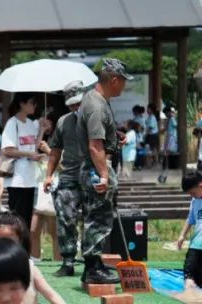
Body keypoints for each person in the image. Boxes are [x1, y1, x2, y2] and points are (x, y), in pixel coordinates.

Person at [77, 59, 130, 285]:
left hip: (94, 166)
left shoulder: (95, 99)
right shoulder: (97, 105)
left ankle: (95, 264)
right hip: (94, 168)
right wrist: (105, 176)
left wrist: (114, 136)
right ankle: (92, 269)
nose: (124, 86)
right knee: (97, 220)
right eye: (124, 81)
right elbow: (94, 145)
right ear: (114, 80)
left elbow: (100, 136)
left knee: (98, 218)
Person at [44, 82, 87, 277]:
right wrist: (48, 175)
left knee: (92, 220)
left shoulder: (97, 116)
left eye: (78, 103)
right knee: (65, 219)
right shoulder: (63, 121)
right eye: (71, 104)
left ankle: (92, 261)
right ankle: (68, 261)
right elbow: (54, 151)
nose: (75, 108)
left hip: (91, 175)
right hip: (69, 175)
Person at [0, 93, 45, 229]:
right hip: (17, 179)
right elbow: (7, 150)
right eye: (32, 102)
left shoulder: (31, 124)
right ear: (22, 104)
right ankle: (16, 247)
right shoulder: (12, 123)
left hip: (30, 178)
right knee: (17, 219)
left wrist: (42, 130)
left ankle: (25, 248)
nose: (34, 106)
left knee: (27, 219)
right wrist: (29, 154)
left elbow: (34, 146)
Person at [176, 171, 202, 292]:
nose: (192, 195)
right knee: (189, 273)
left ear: (200, 185)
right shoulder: (195, 201)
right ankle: (189, 298)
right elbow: (190, 219)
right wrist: (182, 235)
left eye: (193, 192)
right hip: (196, 245)